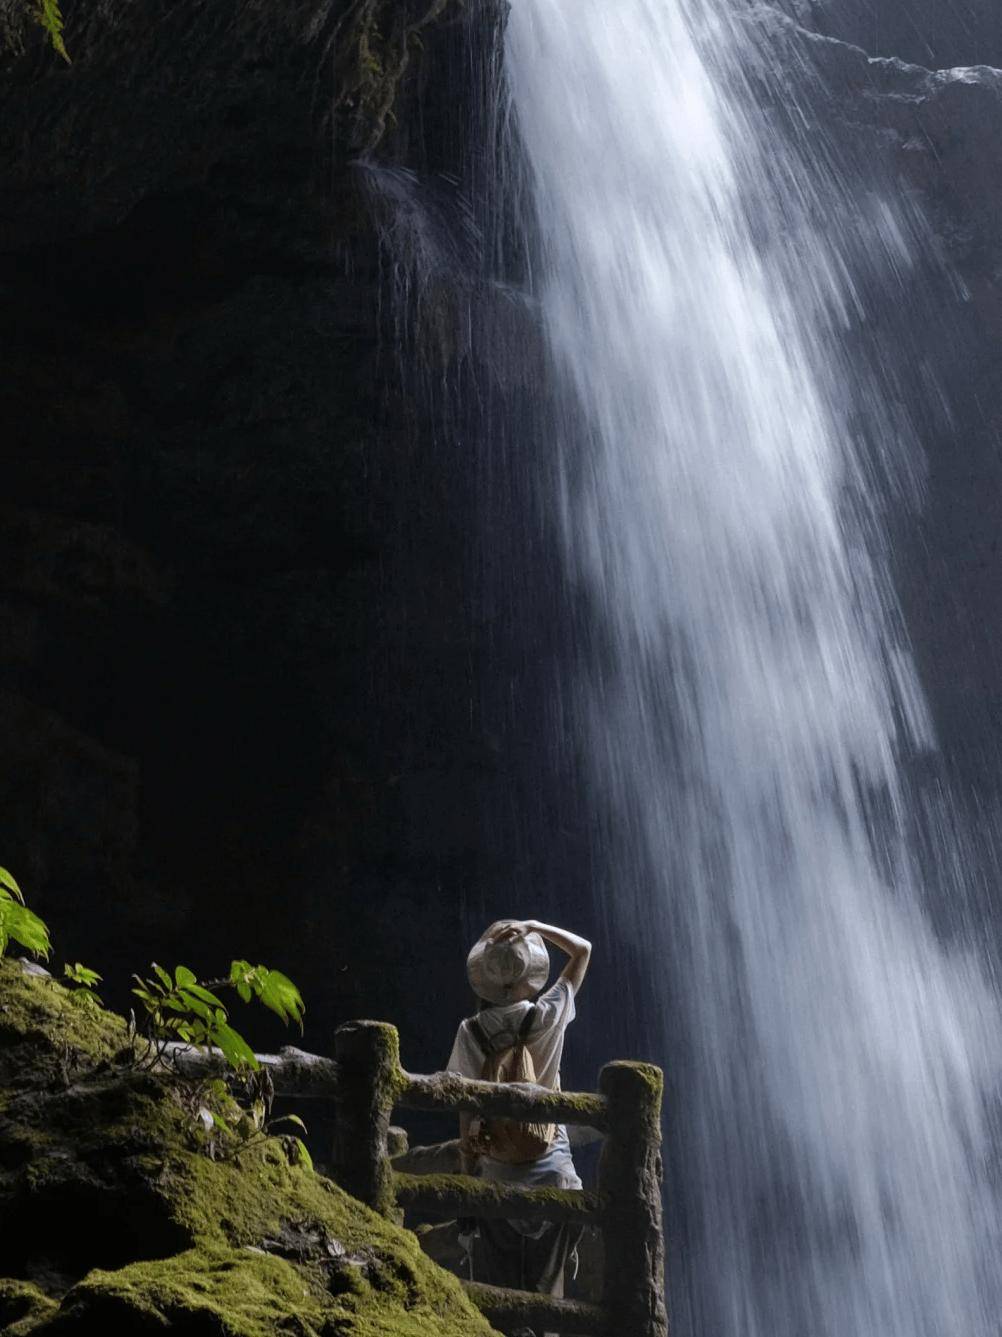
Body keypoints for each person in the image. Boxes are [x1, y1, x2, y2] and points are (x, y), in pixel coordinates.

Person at [446, 918, 592, 1328]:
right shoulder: (549, 1014)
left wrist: (467, 1172)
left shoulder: (470, 1032)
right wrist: (535, 926)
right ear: (531, 973)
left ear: (485, 978)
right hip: (553, 1175)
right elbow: (583, 950)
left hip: (496, 1176)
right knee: (548, 1293)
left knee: (498, 1297)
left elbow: (466, 1110)